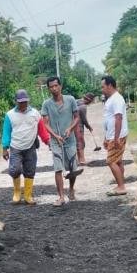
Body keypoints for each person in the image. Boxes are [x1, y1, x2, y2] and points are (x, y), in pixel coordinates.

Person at [2, 89, 49, 205]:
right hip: (15, 147)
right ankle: (17, 192)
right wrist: (5, 148)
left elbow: (42, 130)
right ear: (16, 102)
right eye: (20, 102)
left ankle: (28, 195)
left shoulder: (35, 114)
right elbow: (6, 132)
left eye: (25, 102)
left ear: (28, 101)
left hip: (30, 146)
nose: (23, 104)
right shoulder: (10, 115)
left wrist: (47, 141)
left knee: (30, 170)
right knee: (15, 170)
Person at [40, 76, 81, 206]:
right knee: (58, 168)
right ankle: (61, 197)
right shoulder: (46, 104)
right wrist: (55, 135)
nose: (54, 88)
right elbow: (45, 123)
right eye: (51, 87)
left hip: (70, 139)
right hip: (55, 140)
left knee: (73, 167)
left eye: (56, 86)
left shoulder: (70, 100)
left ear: (60, 86)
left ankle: (71, 188)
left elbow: (76, 117)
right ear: (48, 89)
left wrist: (70, 128)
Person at [100, 75, 129, 196]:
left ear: (110, 85)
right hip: (112, 135)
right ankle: (120, 184)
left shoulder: (117, 99)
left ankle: (121, 187)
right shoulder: (111, 99)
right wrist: (106, 137)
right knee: (118, 161)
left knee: (111, 161)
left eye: (103, 87)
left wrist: (116, 138)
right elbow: (109, 119)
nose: (102, 89)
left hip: (117, 136)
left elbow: (118, 118)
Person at [74, 93, 95, 165]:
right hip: (78, 126)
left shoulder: (76, 102)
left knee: (77, 143)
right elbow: (84, 119)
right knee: (81, 143)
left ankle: (79, 160)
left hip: (72, 126)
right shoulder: (83, 107)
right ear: (89, 100)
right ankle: (82, 160)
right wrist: (89, 127)